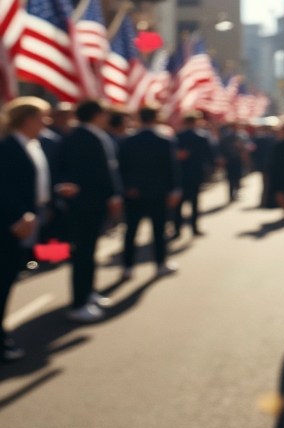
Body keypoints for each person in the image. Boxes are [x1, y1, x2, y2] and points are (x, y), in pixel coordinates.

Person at [58, 100, 122, 323]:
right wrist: (112, 194)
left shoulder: (92, 135)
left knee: (90, 251)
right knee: (83, 253)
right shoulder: (81, 136)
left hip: (93, 204)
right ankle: (79, 302)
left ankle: (88, 292)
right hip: (85, 205)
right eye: (104, 113)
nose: (107, 117)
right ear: (96, 114)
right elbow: (97, 171)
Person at [0, 98, 52, 362]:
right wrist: (14, 219)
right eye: (41, 117)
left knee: (10, 278)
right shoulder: (8, 147)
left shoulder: (31, 145)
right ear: (27, 119)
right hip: (11, 226)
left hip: (30, 220)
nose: (46, 123)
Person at [118, 107, 181, 279]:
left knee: (131, 231)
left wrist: (127, 187)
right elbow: (172, 168)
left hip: (134, 194)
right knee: (158, 231)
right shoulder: (164, 140)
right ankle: (160, 263)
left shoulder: (128, 140)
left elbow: (121, 168)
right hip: (157, 194)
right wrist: (174, 190)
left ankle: (128, 267)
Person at [174, 112, 214, 237]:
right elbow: (209, 156)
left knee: (179, 202)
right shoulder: (201, 137)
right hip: (195, 173)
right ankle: (194, 228)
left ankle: (177, 229)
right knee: (194, 201)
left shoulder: (178, 136)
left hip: (181, 174)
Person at [218, 122, 247, 201]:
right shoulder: (227, 138)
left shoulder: (240, 137)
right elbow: (222, 148)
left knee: (237, 176)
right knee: (231, 178)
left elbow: (243, 148)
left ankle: (236, 191)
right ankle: (231, 194)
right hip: (230, 160)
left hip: (237, 160)